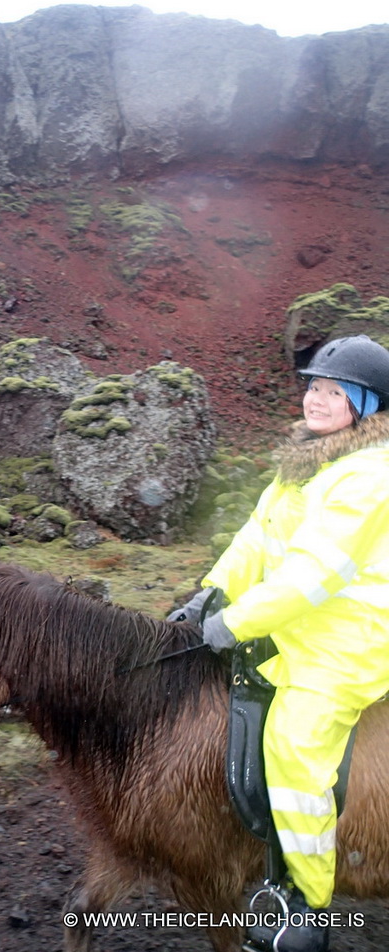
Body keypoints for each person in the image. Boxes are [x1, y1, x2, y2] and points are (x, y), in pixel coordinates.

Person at [171, 335, 389, 952]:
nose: (316, 398)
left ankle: (309, 904)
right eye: (313, 386)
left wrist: (232, 625)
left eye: (333, 389)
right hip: (296, 626)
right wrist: (210, 593)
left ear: (366, 404)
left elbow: (310, 577)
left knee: (295, 743)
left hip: (348, 639)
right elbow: (254, 539)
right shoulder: (307, 462)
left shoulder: (370, 477)